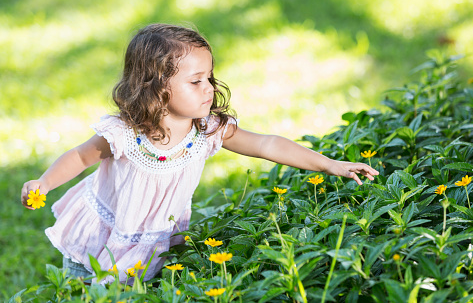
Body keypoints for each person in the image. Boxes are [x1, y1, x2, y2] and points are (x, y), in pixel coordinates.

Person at [20, 24, 379, 283]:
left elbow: (267, 144)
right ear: (156, 86)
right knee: (82, 292)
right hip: (102, 236)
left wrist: (329, 164)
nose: (209, 88)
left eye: (209, 77)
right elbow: (81, 157)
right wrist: (44, 181)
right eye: (196, 81)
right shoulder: (125, 133)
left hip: (155, 241)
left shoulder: (206, 129)